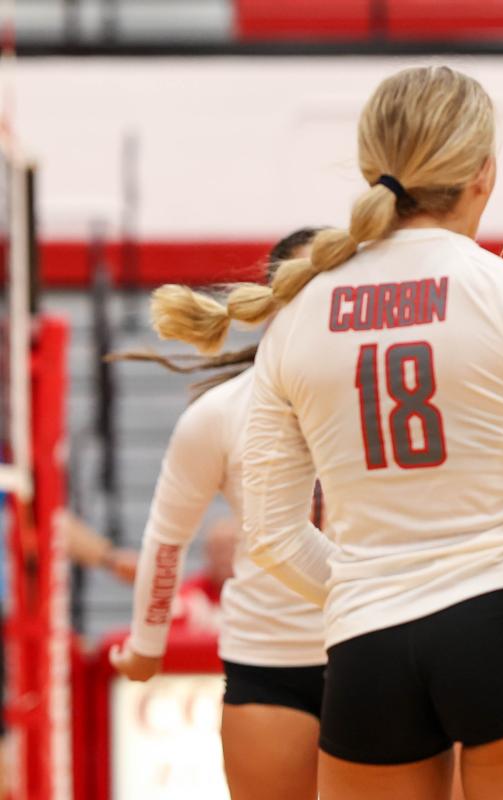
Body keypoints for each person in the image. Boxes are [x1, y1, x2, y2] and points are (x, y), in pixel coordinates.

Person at [149, 66, 503, 800]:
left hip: (367, 644)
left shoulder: (301, 315)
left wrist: (371, 587)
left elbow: (273, 536)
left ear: (371, 167)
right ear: (484, 172)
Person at [108, 226, 330, 800]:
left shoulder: (389, 392)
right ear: (272, 301)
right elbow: (167, 537)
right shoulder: (221, 413)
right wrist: (147, 645)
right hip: (269, 662)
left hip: (376, 651)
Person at [171, 516, 237, 633]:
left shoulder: (256, 594)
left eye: (231, 551)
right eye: (220, 551)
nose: (225, 559)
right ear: (208, 553)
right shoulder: (191, 593)